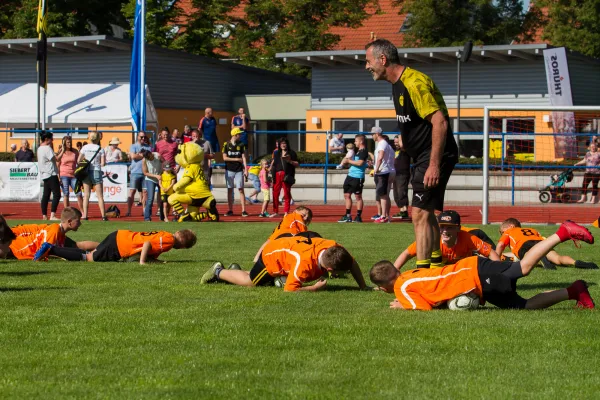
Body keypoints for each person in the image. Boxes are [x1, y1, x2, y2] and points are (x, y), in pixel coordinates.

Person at [365, 38, 458, 268]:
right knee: (427, 211)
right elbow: (414, 122)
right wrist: (406, 142)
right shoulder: (397, 84)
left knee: (418, 213)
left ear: (382, 59)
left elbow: (440, 123)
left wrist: (434, 164)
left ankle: (422, 271)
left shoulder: (413, 83)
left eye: (368, 61)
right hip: (423, 155)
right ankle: (437, 267)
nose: (367, 67)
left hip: (434, 155)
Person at [369, 220, 595, 310]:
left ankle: (562, 233)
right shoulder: (409, 274)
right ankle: (575, 291)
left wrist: (402, 305)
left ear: (385, 286)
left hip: (474, 273)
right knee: (523, 307)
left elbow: (424, 308)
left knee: (523, 268)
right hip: (474, 277)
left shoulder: (402, 287)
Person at [200, 235, 369, 292]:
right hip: (271, 256)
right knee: (251, 282)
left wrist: (363, 286)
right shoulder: (304, 264)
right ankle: (218, 271)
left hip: (286, 250)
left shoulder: (333, 247)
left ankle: (234, 271)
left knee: (272, 281)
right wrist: (313, 288)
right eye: (338, 273)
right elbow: (290, 290)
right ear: (330, 268)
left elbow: (352, 263)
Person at [394, 210, 499, 270]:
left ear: (458, 228)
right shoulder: (431, 239)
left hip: (462, 270)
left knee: (492, 260)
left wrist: (499, 271)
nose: (444, 231)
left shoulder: (469, 238)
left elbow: (491, 252)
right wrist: (393, 273)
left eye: (449, 227)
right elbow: (406, 254)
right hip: (443, 272)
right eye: (442, 227)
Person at [34, 229, 197, 265]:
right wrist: (142, 262)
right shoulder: (169, 242)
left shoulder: (166, 234)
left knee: (90, 253)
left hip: (120, 236)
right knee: (89, 258)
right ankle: (52, 248)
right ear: (183, 245)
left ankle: (52, 248)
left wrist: (157, 262)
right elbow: (147, 244)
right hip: (120, 245)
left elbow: (149, 248)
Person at [496, 218, 598, 270]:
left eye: (502, 231)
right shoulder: (531, 229)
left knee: (529, 258)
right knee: (558, 258)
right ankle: (575, 263)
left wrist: (495, 259)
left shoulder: (509, 232)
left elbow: (500, 245)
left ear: (511, 226)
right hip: (541, 243)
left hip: (524, 245)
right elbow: (541, 237)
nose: (502, 233)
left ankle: (542, 261)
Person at [8, 207, 98, 260]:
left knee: (76, 246)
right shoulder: (54, 230)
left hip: (18, 243)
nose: (80, 224)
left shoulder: (59, 232)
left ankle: (104, 247)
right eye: (78, 221)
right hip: (18, 249)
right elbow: (43, 253)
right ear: (69, 221)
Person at [168, 141, 219, 222]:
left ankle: (183, 214)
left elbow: (186, 180)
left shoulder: (191, 167)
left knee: (171, 198)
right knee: (192, 218)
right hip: (205, 196)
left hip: (193, 196)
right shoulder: (198, 166)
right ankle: (208, 214)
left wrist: (176, 187)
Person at [339, 134, 369, 223]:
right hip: (350, 176)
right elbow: (355, 162)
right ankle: (348, 216)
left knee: (358, 197)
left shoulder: (363, 151)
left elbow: (360, 163)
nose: (354, 143)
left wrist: (348, 161)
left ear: (361, 141)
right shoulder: (357, 151)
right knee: (347, 195)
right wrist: (345, 161)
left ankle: (358, 216)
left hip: (358, 177)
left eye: (356, 141)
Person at [78, 131, 107, 221]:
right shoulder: (100, 148)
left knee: (86, 195)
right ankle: (103, 216)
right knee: (100, 196)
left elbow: (79, 160)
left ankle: (85, 215)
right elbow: (103, 163)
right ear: (98, 138)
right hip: (96, 171)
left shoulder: (85, 147)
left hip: (86, 171)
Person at [371, 127, 395, 223]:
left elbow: (380, 157)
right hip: (387, 170)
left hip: (383, 172)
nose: (372, 136)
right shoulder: (386, 144)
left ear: (377, 134)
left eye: (372, 134)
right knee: (385, 195)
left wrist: (376, 169)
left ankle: (383, 216)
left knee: (382, 195)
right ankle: (385, 216)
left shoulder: (382, 144)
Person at [222, 127, 248, 217]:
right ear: (235, 135)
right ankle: (230, 209)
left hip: (239, 170)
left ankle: (244, 210)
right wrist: (236, 159)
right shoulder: (226, 145)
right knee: (230, 189)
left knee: (241, 189)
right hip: (229, 170)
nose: (240, 136)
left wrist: (246, 169)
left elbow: (244, 157)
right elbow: (224, 158)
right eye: (239, 134)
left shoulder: (241, 144)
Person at [126, 131, 152, 217]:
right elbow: (133, 157)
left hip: (145, 172)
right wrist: (143, 155)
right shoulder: (133, 146)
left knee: (145, 192)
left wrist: (139, 155)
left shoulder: (148, 147)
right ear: (138, 137)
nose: (143, 138)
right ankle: (129, 211)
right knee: (132, 191)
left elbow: (149, 157)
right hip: (135, 172)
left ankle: (144, 211)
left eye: (144, 137)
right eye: (141, 137)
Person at [271, 138, 298, 217]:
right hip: (277, 174)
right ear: (279, 145)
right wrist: (272, 176)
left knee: (287, 194)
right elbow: (274, 165)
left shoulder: (292, 153)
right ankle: (275, 212)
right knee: (275, 193)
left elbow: (297, 164)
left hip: (286, 175)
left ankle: (286, 212)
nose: (283, 145)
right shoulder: (276, 153)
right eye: (281, 143)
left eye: (284, 143)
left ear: (287, 144)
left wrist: (290, 161)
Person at [37, 131, 61, 220]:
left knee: (46, 195)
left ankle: (44, 215)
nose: (52, 140)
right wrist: (63, 151)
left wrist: (57, 152)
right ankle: (52, 215)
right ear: (47, 139)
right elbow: (57, 159)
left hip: (44, 174)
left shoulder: (40, 148)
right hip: (51, 173)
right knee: (57, 194)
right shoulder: (47, 148)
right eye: (51, 139)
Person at [56, 135, 83, 210]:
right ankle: (67, 211)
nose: (69, 144)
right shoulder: (61, 152)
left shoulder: (75, 151)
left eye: (70, 142)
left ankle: (82, 212)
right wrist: (58, 177)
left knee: (79, 193)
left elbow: (78, 162)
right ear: (64, 143)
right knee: (66, 193)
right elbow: (57, 165)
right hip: (63, 175)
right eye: (68, 142)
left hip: (73, 175)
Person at [141, 149, 164, 222]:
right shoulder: (144, 160)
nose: (150, 159)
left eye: (150, 157)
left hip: (160, 178)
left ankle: (162, 217)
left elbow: (165, 163)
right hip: (150, 179)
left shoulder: (158, 155)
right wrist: (155, 176)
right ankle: (147, 218)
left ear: (151, 153)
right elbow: (145, 173)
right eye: (148, 158)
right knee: (150, 198)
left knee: (162, 198)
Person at [391, 135, 410, 220]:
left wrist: (401, 137)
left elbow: (403, 146)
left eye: (397, 142)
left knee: (402, 192)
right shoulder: (395, 151)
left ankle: (405, 212)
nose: (396, 144)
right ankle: (401, 210)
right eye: (394, 142)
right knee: (396, 194)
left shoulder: (405, 150)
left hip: (402, 174)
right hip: (395, 174)